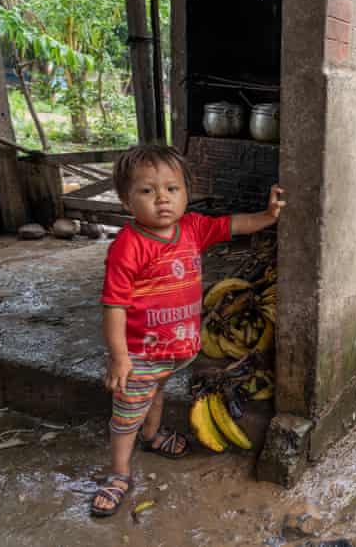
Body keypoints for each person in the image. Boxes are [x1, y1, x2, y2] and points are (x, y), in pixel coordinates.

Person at [90, 145, 285, 516]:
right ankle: (118, 473)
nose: (162, 199)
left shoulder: (193, 228)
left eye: (172, 189)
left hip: (177, 350)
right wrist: (119, 357)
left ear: (186, 193)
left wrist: (267, 215)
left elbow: (233, 225)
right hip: (140, 356)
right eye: (147, 191)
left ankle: (153, 436)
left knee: (158, 393)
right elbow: (113, 305)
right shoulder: (127, 247)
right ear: (126, 200)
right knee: (126, 414)